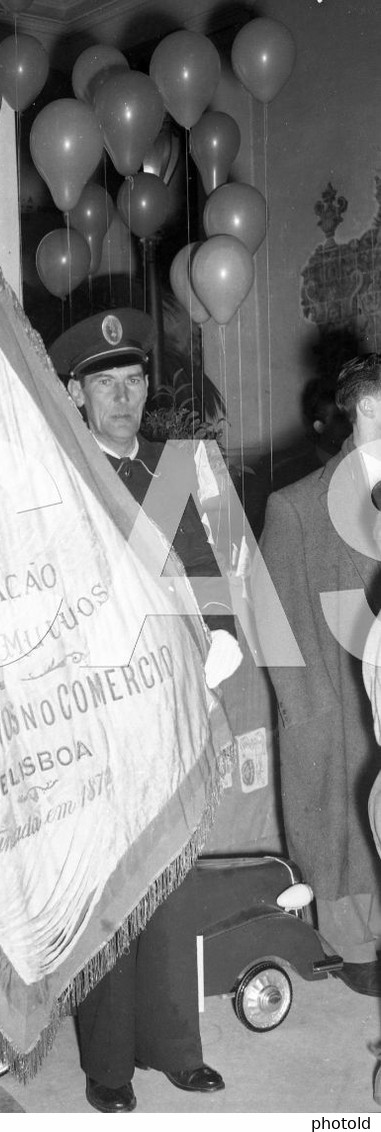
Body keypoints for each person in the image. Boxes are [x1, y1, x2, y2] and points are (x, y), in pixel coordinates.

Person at [49, 308, 241, 1114]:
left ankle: (174, 1047)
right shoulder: (60, 477)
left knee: (171, 875)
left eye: (132, 381)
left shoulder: (166, 470)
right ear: (75, 392)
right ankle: (108, 1063)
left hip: (168, 707)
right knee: (109, 882)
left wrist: (219, 643)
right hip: (96, 711)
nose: (123, 398)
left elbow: (202, 571)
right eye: (105, 383)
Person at [255, 353, 381, 997]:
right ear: (359, 411)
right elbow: (275, 627)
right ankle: (354, 942)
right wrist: (307, 712)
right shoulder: (296, 507)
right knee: (344, 822)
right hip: (340, 699)